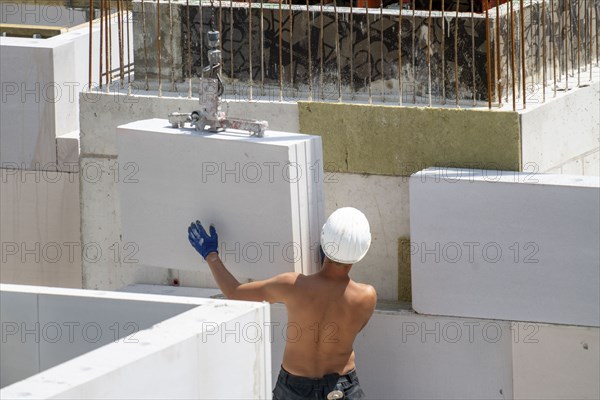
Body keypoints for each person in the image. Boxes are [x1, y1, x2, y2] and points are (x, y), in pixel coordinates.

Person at [188, 207, 377, 399]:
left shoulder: (292, 285)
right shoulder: (367, 296)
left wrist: (210, 255)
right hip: (342, 389)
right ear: (363, 250)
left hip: (294, 389)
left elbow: (234, 293)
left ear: (323, 241)